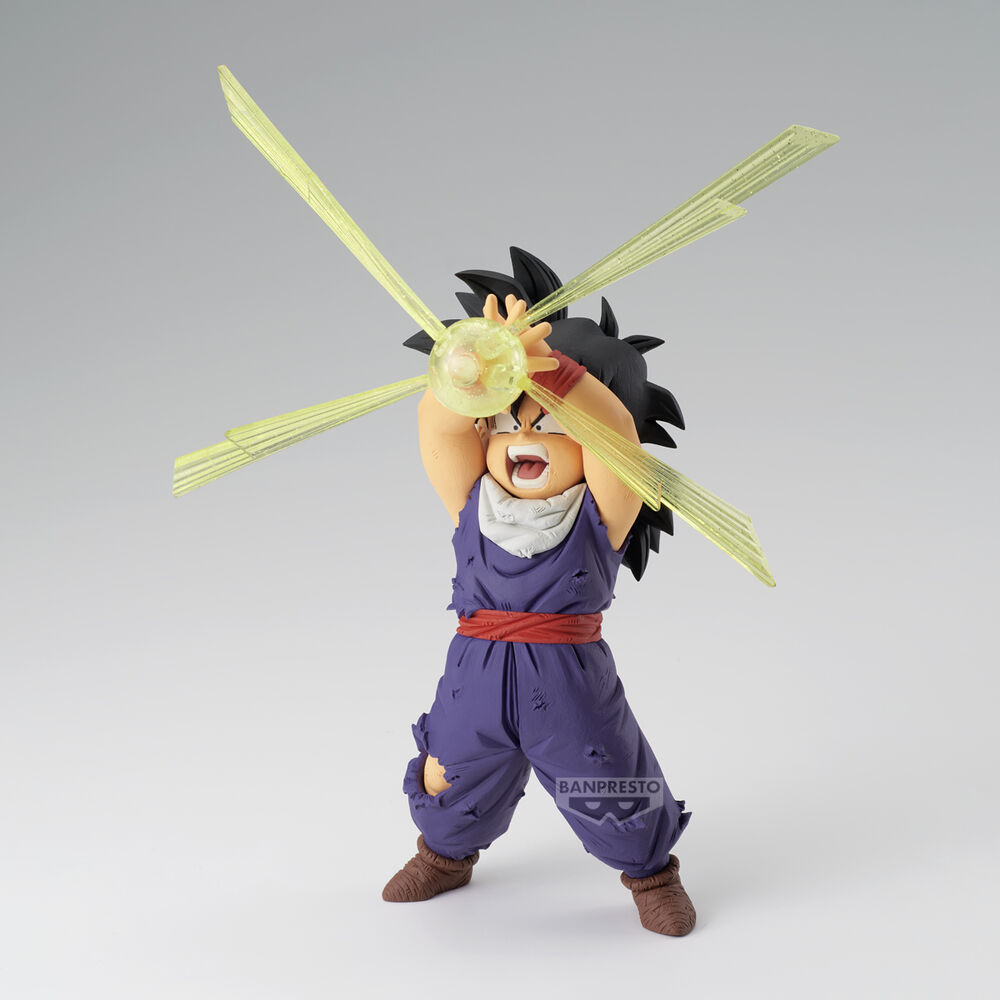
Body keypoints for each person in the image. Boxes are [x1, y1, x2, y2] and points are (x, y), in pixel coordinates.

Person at [382, 249, 696, 936]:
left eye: (550, 423)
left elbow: (615, 436)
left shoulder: (601, 512)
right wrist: (474, 364)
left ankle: (650, 874)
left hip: (569, 679)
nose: (523, 433)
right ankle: (443, 854)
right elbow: (438, 425)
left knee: (609, 780)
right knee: (449, 773)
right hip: (474, 672)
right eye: (504, 421)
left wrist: (549, 370)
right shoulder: (473, 501)